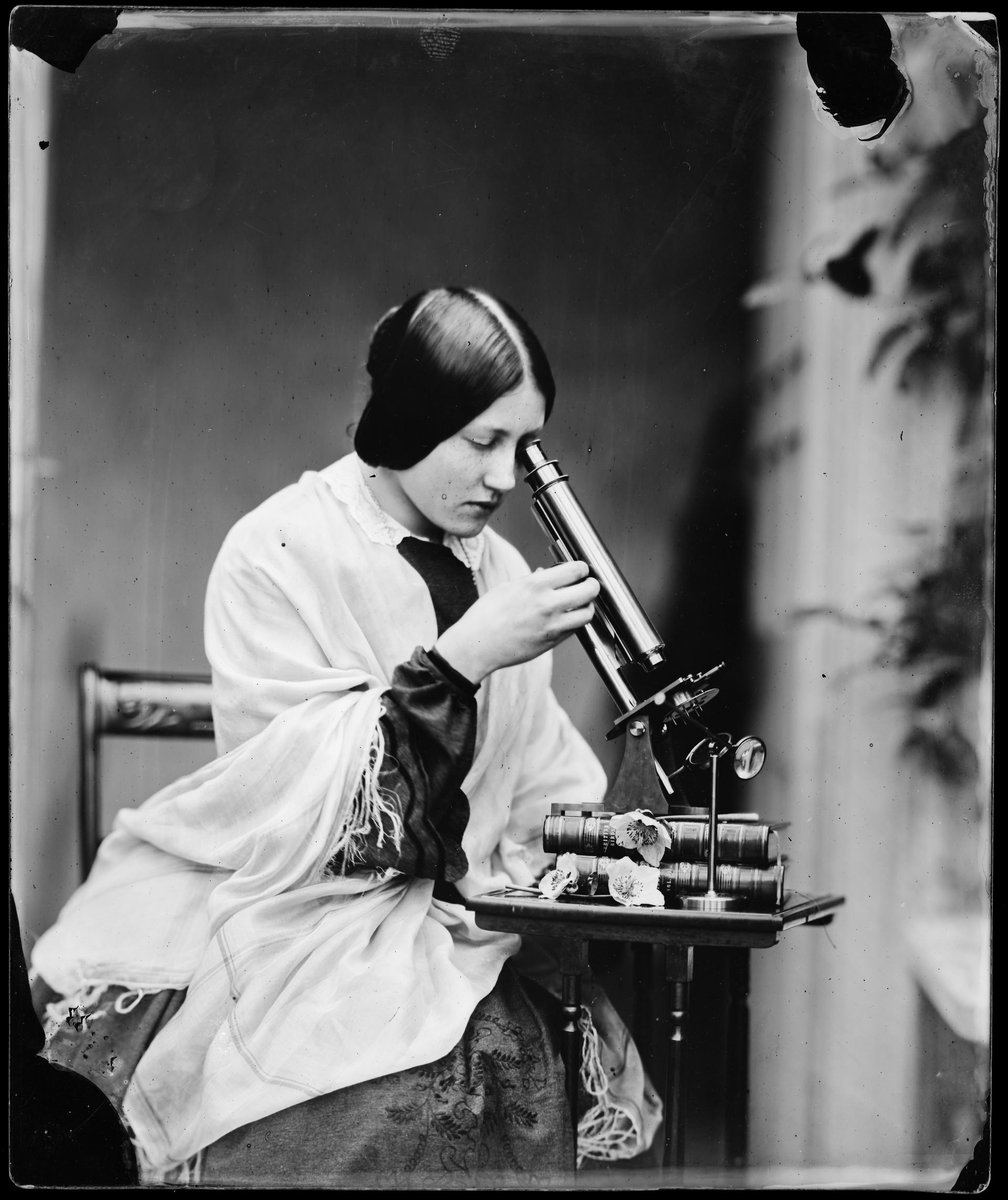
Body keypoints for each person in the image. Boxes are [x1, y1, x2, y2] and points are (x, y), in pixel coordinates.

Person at [29, 287, 661, 1187]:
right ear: (407, 419)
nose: (503, 478)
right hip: (289, 906)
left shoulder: (506, 572)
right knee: (352, 1110)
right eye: (482, 441)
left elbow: (540, 782)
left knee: (491, 1074)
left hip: (456, 923)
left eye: (525, 446)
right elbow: (301, 803)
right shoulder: (277, 548)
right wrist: (463, 658)